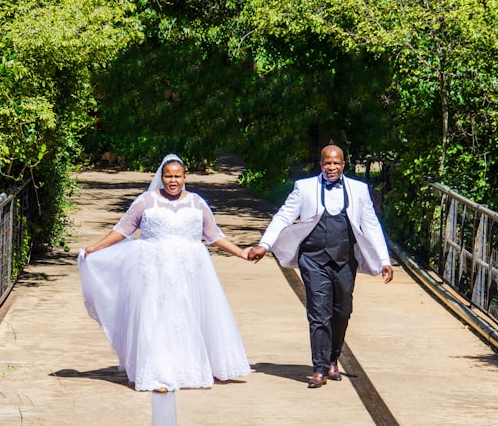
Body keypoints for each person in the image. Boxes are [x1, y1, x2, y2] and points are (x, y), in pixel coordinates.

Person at [79, 154, 252, 392]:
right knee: (156, 319)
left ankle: (192, 366)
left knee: (188, 318)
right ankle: (158, 373)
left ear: (184, 178)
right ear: (162, 177)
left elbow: (214, 235)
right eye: (169, 176)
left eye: (177, 176)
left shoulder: (196, 203)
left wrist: (241, 252)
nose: (173, 181)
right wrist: (96, 247)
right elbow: (124, 228)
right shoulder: (146, 201)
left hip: (190, 271)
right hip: (154, 269)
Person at [247, 145, 393, 388]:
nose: (331, 168)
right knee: (318, 312)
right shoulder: (304, 188)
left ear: (343, 165)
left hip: (345, 259)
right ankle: (319, 367)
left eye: (336, 163)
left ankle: (333, 358)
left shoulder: (358, 190)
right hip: (313, 259)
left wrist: (384, 260)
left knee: (342, 311)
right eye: (327, 163)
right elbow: (284, 216)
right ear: (320, 164)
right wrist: (265, 244)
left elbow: (371, 225)